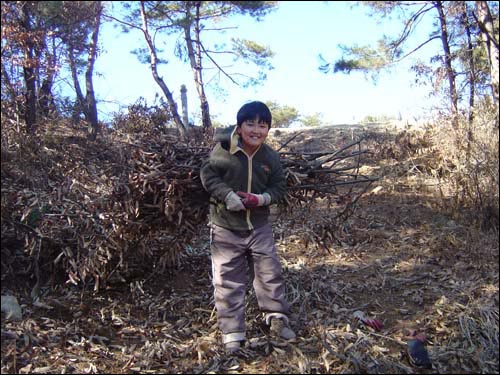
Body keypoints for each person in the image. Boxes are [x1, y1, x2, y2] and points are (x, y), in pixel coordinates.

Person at [200, 101, 296, 353]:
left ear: (268, 130)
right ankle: (232, 331)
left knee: (269, 273)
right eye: (250, 124)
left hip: (259, 226)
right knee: (227, 278)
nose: (256, 130)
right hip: (225, 226)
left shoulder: (270, 156)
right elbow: (208, 175)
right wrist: (228, 196)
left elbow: (278, 187)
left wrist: (261, 199)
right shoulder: (223, 150)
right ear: (239, 126)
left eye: (262, 125)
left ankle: (277, 318)